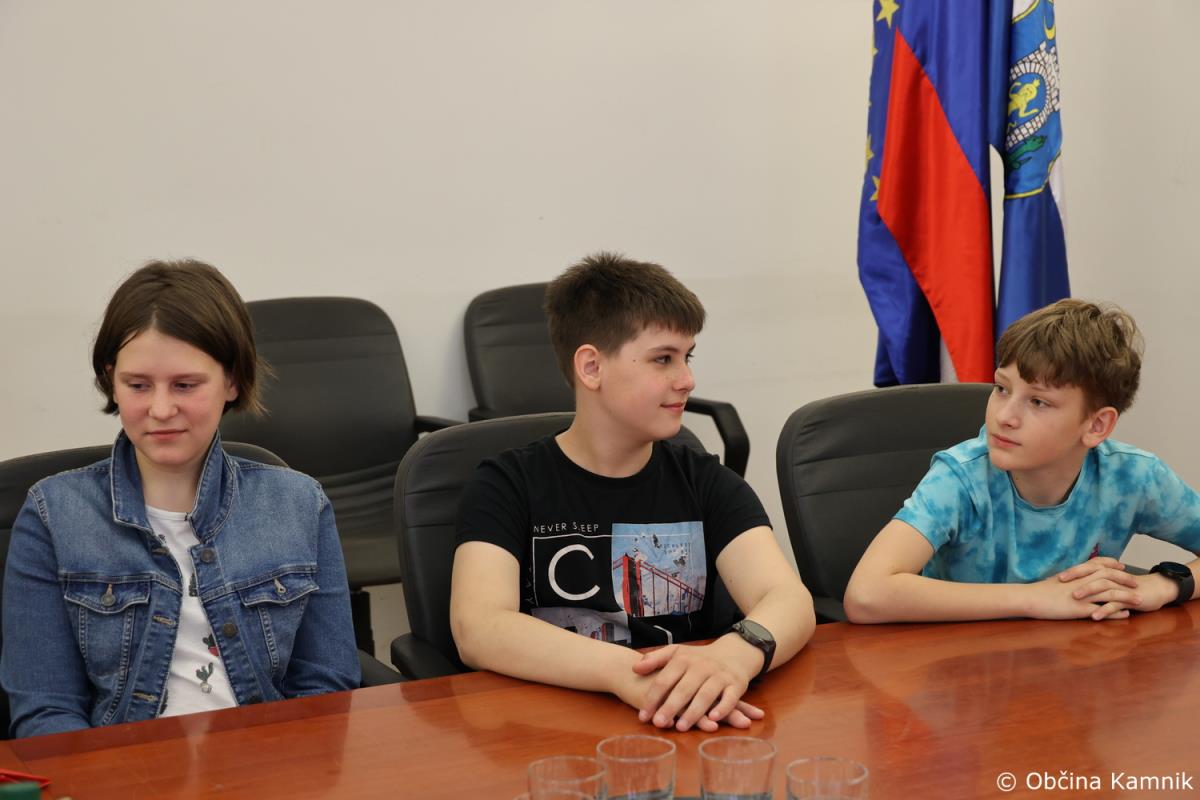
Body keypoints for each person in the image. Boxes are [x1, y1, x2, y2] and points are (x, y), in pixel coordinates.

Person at [450, 252, 814, 733]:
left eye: (687, 357)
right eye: (663, 359)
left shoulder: (704, 480)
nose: (687, 380)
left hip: (685, 722)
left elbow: (788, 599)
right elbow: (478, 628)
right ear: (591, 367)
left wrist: (733, 657)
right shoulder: (506, 483)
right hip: (552, 731)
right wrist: (627, 674)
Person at [1, 260, 360, 738]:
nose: (161, 409)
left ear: (232, 381)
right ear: (111, 380)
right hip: (118, 768)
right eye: (138, 385)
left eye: (185, 385)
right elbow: (46, 712)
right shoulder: (53, 515)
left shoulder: (299, 504)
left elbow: (327, 692)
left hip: (270, 762)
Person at [845, 299, 1200, 624]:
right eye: (1001, 388)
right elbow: (866, 594)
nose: (1004, 416)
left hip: (1077, 659)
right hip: (961, 661)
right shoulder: (961, 478)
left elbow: (1163, 586)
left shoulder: (1133, 476)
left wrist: (1166, 585)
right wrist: (1035, 599)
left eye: (1038, 402)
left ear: (1096, 426)